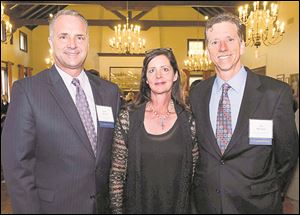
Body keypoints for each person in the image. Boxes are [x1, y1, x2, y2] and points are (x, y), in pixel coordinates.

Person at [1, 10, 120, 214]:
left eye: (79, 37)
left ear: (88, 42)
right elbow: (17, 168)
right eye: (63, 36)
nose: (72, 44)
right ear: (50, 41)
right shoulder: (28, 91)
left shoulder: (109, 92)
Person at [189, 13, 299, 214]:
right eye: (215, 42)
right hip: (207, 204)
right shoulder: (198, 93)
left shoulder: (275, 93)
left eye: (229, 39)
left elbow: (287, 156)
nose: (222, 48)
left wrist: (266, 190)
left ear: (242, 45)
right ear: (208, 50)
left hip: (257, 205)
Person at [109, 48, 199, 214]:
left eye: (165, 69)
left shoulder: (189, 120)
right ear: (146, 79)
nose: (159, 76)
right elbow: (117, 175)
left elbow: (193, 175)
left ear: (175, 75)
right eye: (152, 70)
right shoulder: (128, 117)